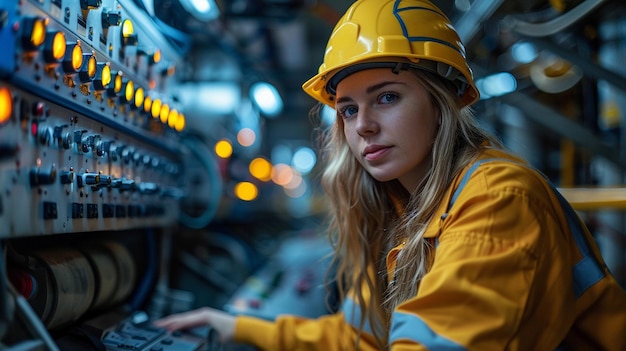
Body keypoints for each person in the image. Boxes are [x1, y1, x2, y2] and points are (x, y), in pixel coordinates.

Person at [154, 0, 626, 349]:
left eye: (387, 97)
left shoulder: (497, 197)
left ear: (441, 103)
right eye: (348, 109)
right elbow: (359, 335)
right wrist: (236, 325)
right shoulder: (399, 210)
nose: (364, 126)